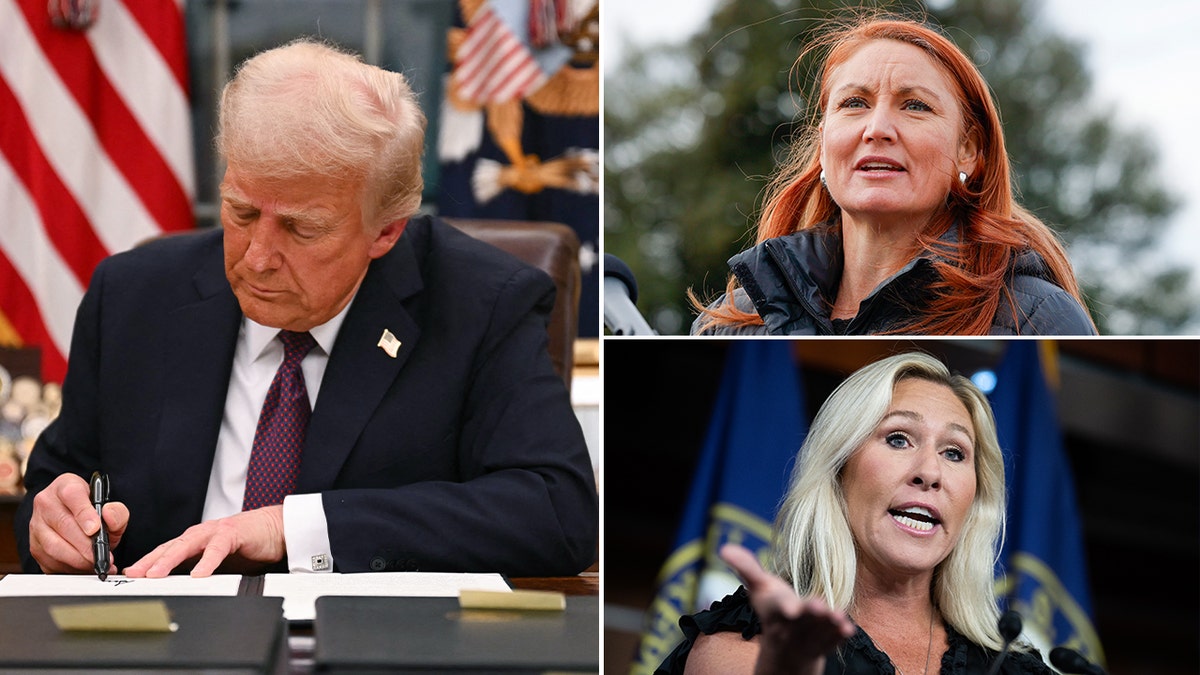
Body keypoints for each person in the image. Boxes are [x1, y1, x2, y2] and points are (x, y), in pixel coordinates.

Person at [15, 38, 598, 579]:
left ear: (386, 232)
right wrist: (53, 526)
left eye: (302, 228)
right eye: (241, 213)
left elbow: (556, 512)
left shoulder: (481, 303)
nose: (259, 257)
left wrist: (292, 529)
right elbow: (55, 486)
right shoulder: (134, 295)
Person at [690, 15, 1096, 336]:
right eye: (854, 103)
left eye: (915, 106)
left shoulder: (1037, 319)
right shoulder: (730, 325)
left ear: (968, 150)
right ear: (824, 143)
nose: (877, 128)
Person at [656, 352, 1052, 674]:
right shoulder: (743, 646)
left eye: (954, 453)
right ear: (838, 469)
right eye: (898, 439)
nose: (930, 473)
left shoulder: (1014, 668)